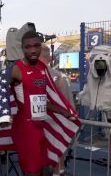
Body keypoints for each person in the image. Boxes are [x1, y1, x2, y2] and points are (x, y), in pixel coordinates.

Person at [9, 31, 74, 176]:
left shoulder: (42, 67)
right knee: (32, 171)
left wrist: (61, 111)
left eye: (36, 46)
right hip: (25, 130)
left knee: (44, 169)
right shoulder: (16, 69)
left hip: (41, 128)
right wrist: (4, 113)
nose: (32, 50)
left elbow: (41, 98)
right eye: (28, 47)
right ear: (22, 48)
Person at [39, 45, 75, 176]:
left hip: (37, 122)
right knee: (57, 147)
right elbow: (68, 103)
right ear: (49, 57)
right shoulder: (58, 76)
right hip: (55, 121)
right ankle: (57, 172)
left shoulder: (28, 74)